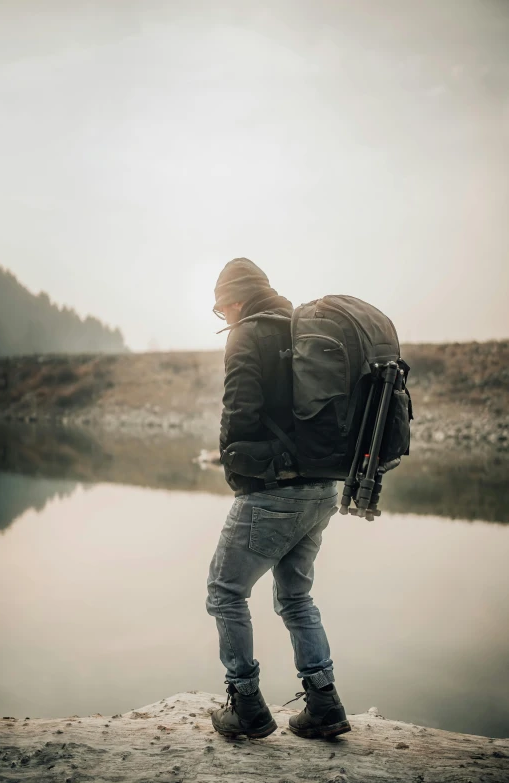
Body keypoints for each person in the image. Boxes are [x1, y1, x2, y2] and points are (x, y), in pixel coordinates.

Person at [206, 258, 351, 740]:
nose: (223, 317)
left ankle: (246, 705)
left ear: (232, 300)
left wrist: (235, 468)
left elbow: (239, 410)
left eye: (221, 308)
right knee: (295, 595)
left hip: (274, 491)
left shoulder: (246, 334)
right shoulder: (301, 328)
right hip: (322, 488)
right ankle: (324, 703)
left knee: (226, 592)